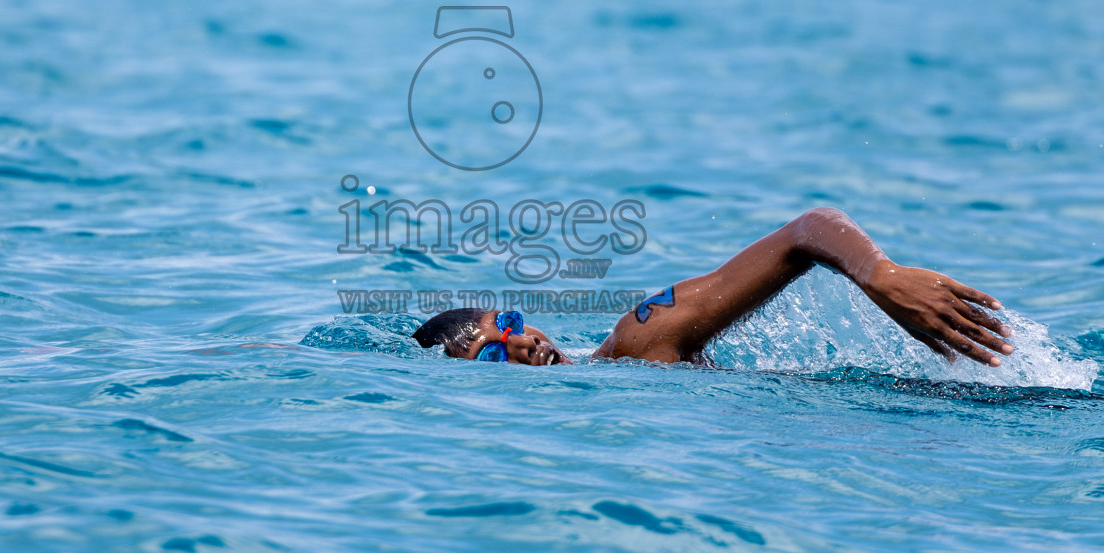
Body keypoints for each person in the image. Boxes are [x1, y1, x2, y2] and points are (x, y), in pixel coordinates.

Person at [411, 207, 1014, 368]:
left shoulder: (639, 340)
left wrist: (879, 275)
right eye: (492, 356)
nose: (520, 344)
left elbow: (806, 230)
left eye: (510, 327)